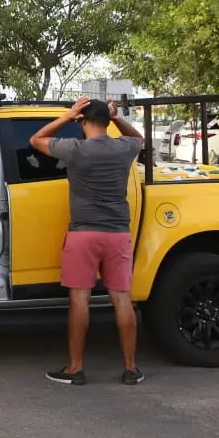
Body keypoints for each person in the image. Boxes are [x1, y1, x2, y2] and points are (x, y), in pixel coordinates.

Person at [30, 98, 144, 386]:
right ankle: (130, 368)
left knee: (80, 299)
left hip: (83, 234)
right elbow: (139, 139)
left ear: (82, 121)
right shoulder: (123, 148)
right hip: (117, 233)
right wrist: (117, 119)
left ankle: (75, 368)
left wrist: (66, 116)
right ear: (107, 121)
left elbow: (36, 139)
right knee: (121, 299)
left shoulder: (75, 149)